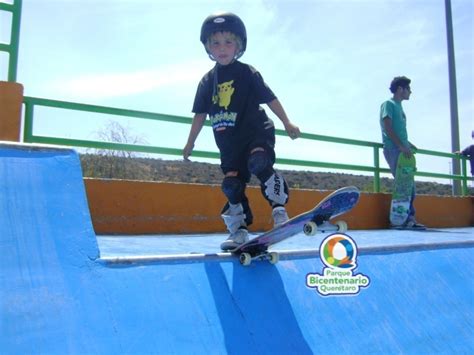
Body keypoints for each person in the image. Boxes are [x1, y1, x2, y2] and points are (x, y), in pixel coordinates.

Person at [183, 12, 300, 250]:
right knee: (231, 186)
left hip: (255, 132)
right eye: (215, 42)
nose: (222, 48)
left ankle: (278, 209)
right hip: (229, 144)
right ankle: (239, 230)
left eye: (228, 42)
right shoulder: (207, 82)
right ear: (207, 47)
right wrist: (190, 142)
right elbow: (199, 115)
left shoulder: (247, 72)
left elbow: (270, 98)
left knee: (258, 161)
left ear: (239, 45)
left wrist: (287, 122)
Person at [380, 76, 425, 230]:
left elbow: (399, 130)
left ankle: (406, 219)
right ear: (400, 89)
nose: (410, 92)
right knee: (405, 186)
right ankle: (403, 220)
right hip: (394, 149)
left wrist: (409, 145)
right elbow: (387, 127)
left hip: (402, 150)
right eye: (408, 89)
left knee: (408, 186)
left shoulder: (400, 107)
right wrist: (400, 146)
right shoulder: (389, 104)